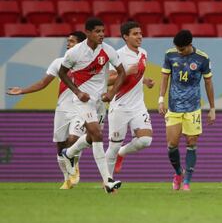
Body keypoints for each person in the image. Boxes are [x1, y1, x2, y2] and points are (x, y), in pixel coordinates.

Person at [6, 31, 88, 190]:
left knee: (73, 139)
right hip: (62, 109)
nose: (68, 43)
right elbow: (43, 83)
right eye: (67, 41)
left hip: (80, 108)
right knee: (60, 145)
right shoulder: (59, 62)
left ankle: (74, 164)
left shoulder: (88, 63)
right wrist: (22, 91)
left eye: (71, 41)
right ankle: (67, 178)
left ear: (81, 45)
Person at [58, 17, 126, 193]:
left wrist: (111, 93)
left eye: (103, 31)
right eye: (97, 31)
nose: (101, 34)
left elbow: (122, 72)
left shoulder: (108, 50)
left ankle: (69, 153)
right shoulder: (75, 53)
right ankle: (108, 181)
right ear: (88, 32)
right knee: (96, 134)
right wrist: (77, 92)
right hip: (83, 101)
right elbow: (62, 73)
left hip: (99, 102)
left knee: (91, 137)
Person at [158, 30, 216, 191]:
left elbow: (208, 83)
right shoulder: (170, 55)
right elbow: (164, 78)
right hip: (174, 107)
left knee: (191, 143)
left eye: (182, 49)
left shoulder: (202, 58)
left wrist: (212, 108)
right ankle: (178, 173)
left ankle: (187, 182)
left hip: (193, 108)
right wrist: (161, 99)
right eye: (177, 48)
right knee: (172, 145)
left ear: (190, 45)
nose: (179, 52)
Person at [105, 21, 154, 177]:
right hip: (120, 105)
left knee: (145, 140)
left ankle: (122, 152)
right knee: (113, 146)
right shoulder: (117, 55)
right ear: (125, 36)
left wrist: (145, 81)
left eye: (140, 33)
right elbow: (106, 80)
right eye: (135, 34)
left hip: (138, 105)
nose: (139, 36)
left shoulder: (143, 53)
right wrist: (126, 72)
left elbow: (137, 74)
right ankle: (108, 181)